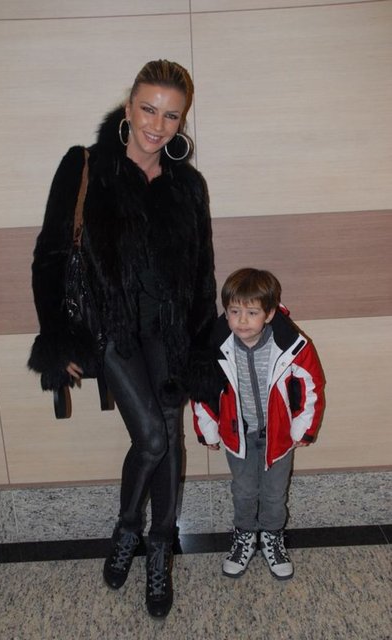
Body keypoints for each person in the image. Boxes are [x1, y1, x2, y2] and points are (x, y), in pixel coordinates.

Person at [28, 60, 217, 618]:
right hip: (111, 329)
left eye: (171, 115)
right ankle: (129, 527)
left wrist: (201, 348)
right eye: (148, 109)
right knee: (153, 438)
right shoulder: (85, 166)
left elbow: (202, 273)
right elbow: (50, 256)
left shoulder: (188, 185)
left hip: (168, 331)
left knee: (169, 436)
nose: (157, 125)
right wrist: (57, 337)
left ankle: (159, 550)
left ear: (182, 120)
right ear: (129, 105)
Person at [191, 268, 325, 581]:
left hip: (278, 437)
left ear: (269, 313)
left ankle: (273, 537)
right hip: (238, 435)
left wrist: (303, 427)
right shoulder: (215, 346)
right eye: (234, 311)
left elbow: (311, 385)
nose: (242, 320)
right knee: (243, 491)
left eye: (252, 313)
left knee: (275, 493)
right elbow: (202, 389)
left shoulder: (291, 345)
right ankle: (244, 536)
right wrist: (208, 429)